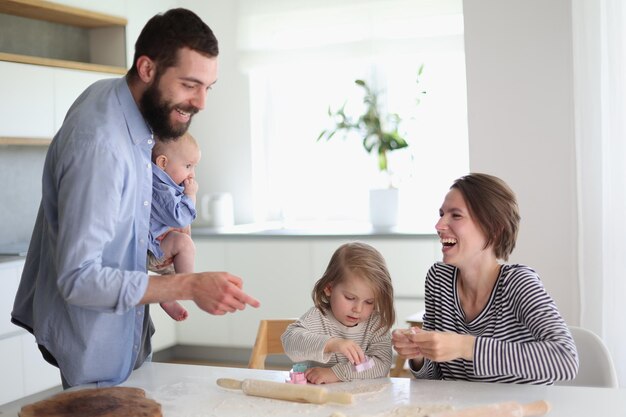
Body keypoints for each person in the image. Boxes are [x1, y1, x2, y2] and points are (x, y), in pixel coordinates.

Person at [11, 8, 259, 388]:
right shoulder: (101, 145)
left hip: (121, 326)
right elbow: (79, 278)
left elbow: (115, 217)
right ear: (146, 69)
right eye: (190, 84)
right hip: (91, 336)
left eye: (209, 87)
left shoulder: (119, 101)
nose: (201, 103)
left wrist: (150, 252)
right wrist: (188, 285)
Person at [392, 173, 578, 384]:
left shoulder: (518, 282)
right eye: (441, 214)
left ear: (493, 229)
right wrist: (418, 353)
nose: (439, 225)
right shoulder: (439, 279)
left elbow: (565, 359)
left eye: (456, 215)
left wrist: (465, 346)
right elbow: (435, 378)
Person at [281, 242, 395, 384]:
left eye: (369, 302)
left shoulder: (376, 325)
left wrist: (335, 373)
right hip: (322, 399)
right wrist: (330, 344)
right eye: (350, 298)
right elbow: (290, 342)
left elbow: (381, 364)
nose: (358, 309)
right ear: (329, 288)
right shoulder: (318, 317)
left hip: (365, 400)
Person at [148, 132, 201, 322]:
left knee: (181, 254)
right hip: (153, 248)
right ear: (162, 163)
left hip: (158, 244)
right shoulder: (161, 188)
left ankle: (168, 298)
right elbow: (180, 217)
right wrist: (191, 195)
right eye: (188, 166)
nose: (192, 174)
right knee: (184, 245)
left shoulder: (165, 184)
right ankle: (189, 285)